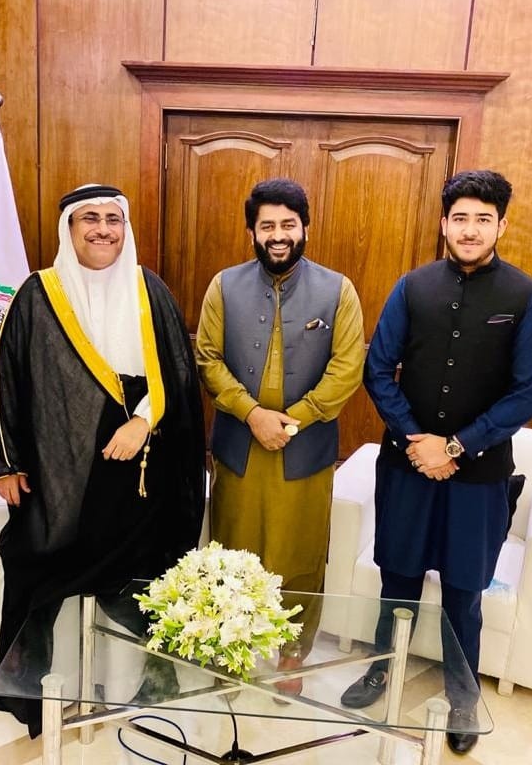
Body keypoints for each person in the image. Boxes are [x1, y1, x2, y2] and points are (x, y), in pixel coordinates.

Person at [340, 170, 532, 755]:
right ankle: (382, 669)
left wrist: (454, 446)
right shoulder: (413, 287)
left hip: (478, 477)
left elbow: (529, 393)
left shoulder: (526, 296)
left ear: (501, 225)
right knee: (397, 576)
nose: (470, 229)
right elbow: (377, 370)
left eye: (483, 219)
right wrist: (417, 440)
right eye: (460, 218)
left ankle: (463, 695)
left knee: (464, 589)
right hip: (406, 466)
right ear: (444, 223)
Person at [0, 183, 205, 736]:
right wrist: (6, 463)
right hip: (58, 463)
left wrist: (141, 422)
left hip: (139, 462)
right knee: (38, 562)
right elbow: (6, 379)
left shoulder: (149, 289)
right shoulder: (38, 293)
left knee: (140, 571)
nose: (103, 229)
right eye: (90, 218)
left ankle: (154, 676)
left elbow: (178, 373)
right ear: (69, 229)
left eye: (113, 219)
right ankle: (33, 694)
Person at [195, 178, 365, 694]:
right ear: (252, 231)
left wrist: (292, 419)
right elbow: (207, 358)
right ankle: (230, 649)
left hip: (305, 448)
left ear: (305, 227)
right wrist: (253, 415)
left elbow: (347, 368)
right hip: (240, 448)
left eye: (288, 224)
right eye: (267, 225)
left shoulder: (338, 290)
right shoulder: (224, 286)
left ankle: (292, 653)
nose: (278, 234)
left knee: (300, 557)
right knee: (232, 553)